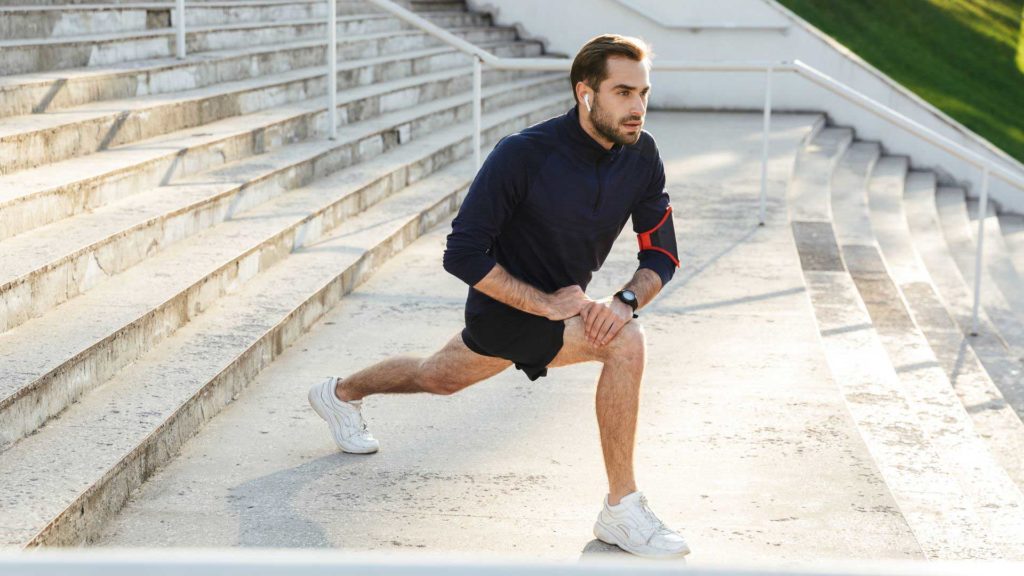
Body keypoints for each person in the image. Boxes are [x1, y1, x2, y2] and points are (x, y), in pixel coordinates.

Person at [308, 33, 690, 559]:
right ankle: (621, 511)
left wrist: (623, 299)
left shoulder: (642, 156)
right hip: (504, 310)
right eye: (623, 92)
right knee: (625, 344)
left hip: (561, 309)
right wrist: (546, 304)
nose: (638, 107)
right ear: (586, 93)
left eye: (644, 93)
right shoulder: (523, 154)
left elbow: (662, 256)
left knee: (434, 377)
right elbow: (462, 252)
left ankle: (339, 393)